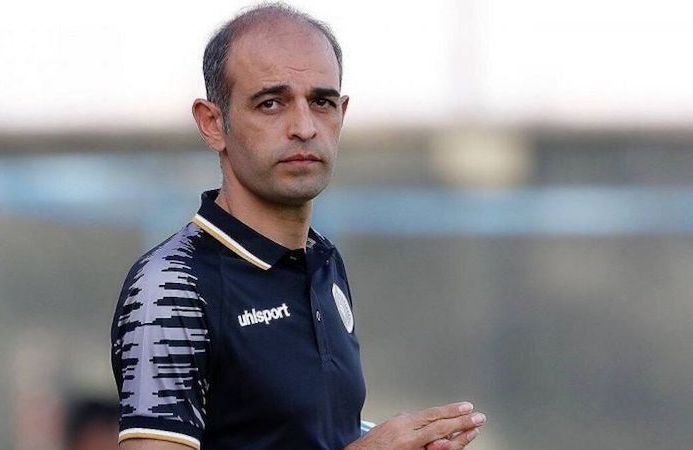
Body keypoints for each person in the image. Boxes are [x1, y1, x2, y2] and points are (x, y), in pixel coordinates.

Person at [110, 3, 486, 449]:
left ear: (342, 113)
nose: (304, 127)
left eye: (322, 102)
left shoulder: (323, 261)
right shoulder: (172, 284)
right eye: (271, 103)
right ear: (213, 123)